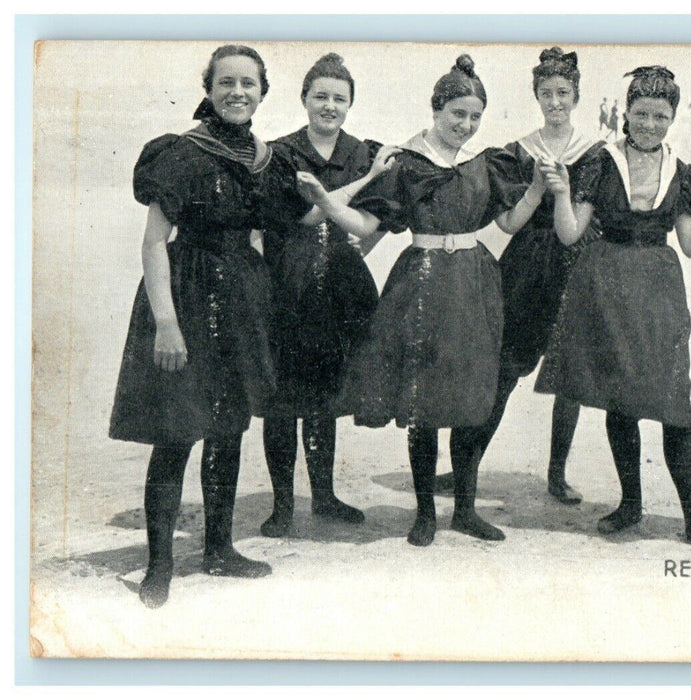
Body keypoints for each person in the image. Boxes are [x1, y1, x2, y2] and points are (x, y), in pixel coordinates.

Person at [298, 55, 543, 547]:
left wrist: (537, 187)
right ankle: (425, 514)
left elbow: (510, 224)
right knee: (425, 400)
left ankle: (466, 511)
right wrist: (327, 204)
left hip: (474, 283)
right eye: (457, 114)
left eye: (474, 117)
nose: (466, 125)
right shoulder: (405, 164)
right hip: (424, 283)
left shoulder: (485, 163)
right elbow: (367, 226)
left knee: (473, 396)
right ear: (436, 109)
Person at [109, 45, 310, 607]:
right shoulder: (182, 152)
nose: (238, 92)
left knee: (229, 428)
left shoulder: (267, 160)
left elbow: (299, 216)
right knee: (176, 434)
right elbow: (153, 243)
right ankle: (159, 567)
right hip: (188, 294)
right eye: (227, 82)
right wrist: (166, 324)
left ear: (263, 92)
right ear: (210, 87)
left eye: (249, 83)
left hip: (243, 299)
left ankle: (219, 550)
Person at [534, 65, 691, 555]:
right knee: (619, 397)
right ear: (625, 112)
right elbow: (569, 233)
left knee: (674, 403)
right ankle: (631, 504)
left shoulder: (683, 172)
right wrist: (562, 191)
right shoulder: (599, 162)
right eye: (642, 113)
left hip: (658, 289)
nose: (649, 124)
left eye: (660, 116)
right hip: (604, 283)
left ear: (672, 117)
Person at [435, 47, 604, 505]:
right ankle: (465, 464)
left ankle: (556, 473)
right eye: (546, 93)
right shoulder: (517, 151)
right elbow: (506, 219)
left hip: (577, 264)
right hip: (527, 266)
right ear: (536, 96)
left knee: (567, 374)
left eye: (563, 92)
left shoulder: (595, 152)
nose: (555, 101)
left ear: (576, 95)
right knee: (503, 368)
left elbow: (591, 219)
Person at [258, 53, 400, 538]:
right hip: (288, 284)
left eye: (339, 98)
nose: (329, 106)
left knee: (323, 396)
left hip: (341, 287)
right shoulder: (279, 154)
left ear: (351, 104)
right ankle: (281, 505)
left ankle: (323, 496)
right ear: (303, 99)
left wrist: (360, 246)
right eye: (320, 96)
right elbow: (301, 218)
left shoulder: (364, 152)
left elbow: (378, 218)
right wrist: (364, 183)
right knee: (282, 399)